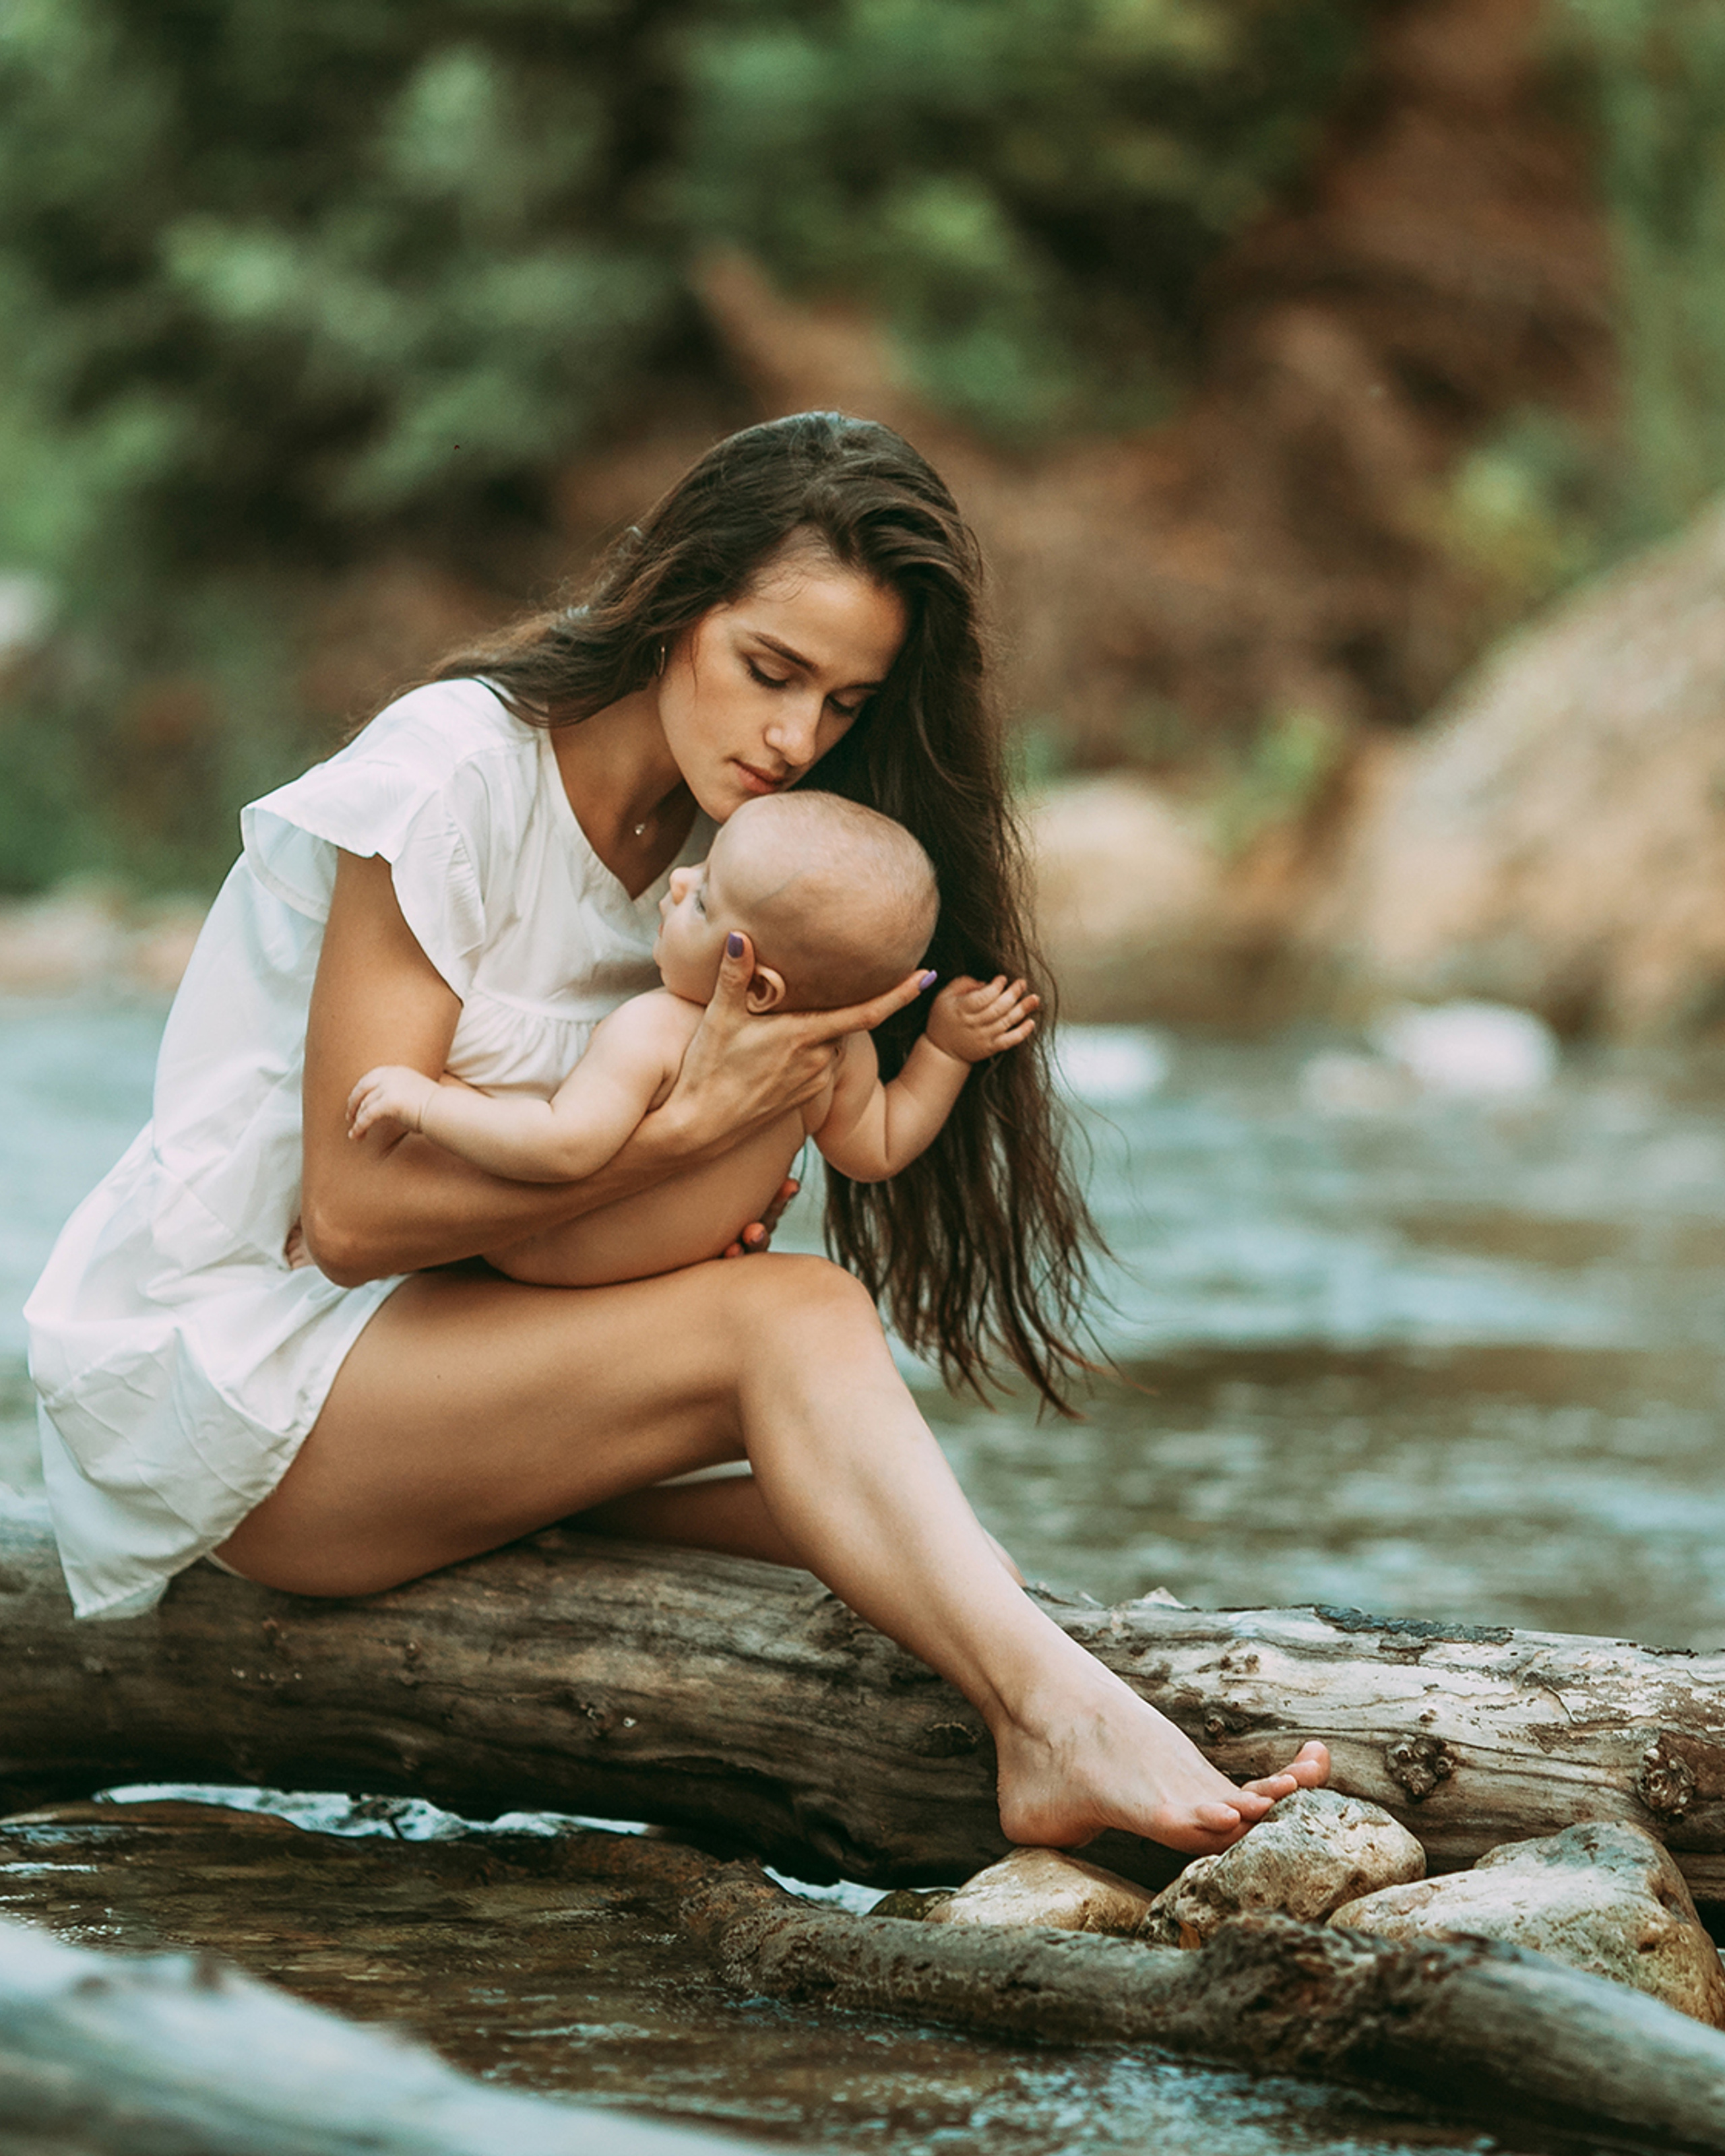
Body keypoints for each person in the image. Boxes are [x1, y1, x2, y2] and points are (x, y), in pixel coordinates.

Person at [26, 411, 1326, 1853]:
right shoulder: (453, 778)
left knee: (870, 1536)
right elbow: (343, 1219)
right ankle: (1056, 1725)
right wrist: (665, 1146)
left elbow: (776, 1149)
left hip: (442, 1366)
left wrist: (667, 1219)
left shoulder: (750, 868)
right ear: (668, 600)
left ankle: (1038, 1696)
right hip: (255, 1386)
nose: (794, 738)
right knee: (791, 1319)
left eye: (842, 704)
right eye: (769, 671)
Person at [344, 790, 1041, 1288]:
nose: (679, 881)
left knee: (475, 1089)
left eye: (704, 898)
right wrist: (944, 1052)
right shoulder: (835, 1058)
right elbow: (877, 1147)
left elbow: (564, 1146)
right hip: (665, 1280)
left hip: (545, 1256)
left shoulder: (655, 1028)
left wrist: (428, 1101)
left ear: (756, 984)